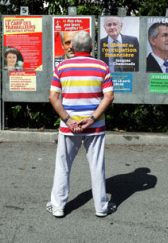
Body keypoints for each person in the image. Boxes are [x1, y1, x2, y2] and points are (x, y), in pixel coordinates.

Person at [46, 30, 116, 218]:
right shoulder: (102, 66)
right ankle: (101, 207)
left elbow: (53, 97)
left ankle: (58, 206)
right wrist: (92, 118)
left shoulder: (62, 67)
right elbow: (109, 96)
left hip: (68, 128)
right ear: (92, 47)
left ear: (73, 47)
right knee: (97, 167)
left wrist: (68, 120)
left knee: (63, 166)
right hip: (95, 127)